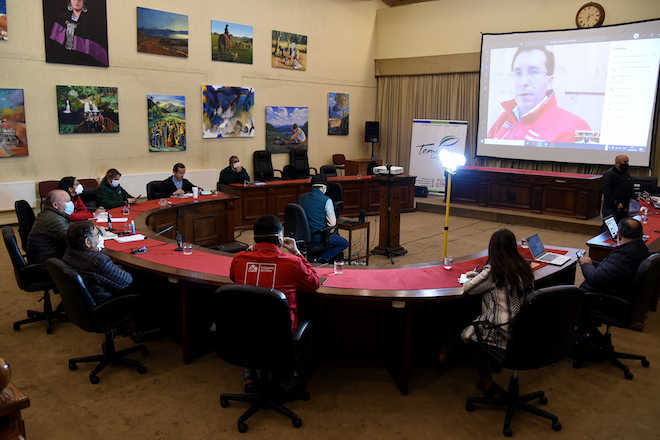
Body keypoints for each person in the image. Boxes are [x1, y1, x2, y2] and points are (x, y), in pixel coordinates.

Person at [461, 229, 535, 394]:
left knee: (467, 334)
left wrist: (479, 274)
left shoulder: (494, 271)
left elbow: (469, 288)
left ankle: (486, 380)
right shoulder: (525, 266)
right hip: (524, 326)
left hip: (503, 329)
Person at [230, 215, 320, 332]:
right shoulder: (293, 263)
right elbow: (314, 283)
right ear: (279, 239)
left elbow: (233, 277)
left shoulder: (238, 259)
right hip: (280, 333)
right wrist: (297, 253)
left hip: (244, 328)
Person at [487, 46, 591, 143]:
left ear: (550, 81)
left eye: (534, 72)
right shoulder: (505, 117)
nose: (524, 82)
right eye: (518, 73)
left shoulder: (575, 127)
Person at [63, 221, 133, 305]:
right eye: (97, 235)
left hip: (83, 303)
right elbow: (127, 281)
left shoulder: (69, 252)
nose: (100, 237)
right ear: (88, 242)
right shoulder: (98, 260)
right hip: (108, 303)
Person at [579, 218, 649, 296]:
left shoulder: (624, 255)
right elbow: (611, 269)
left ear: (619, 234)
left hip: (602, 298)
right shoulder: (642, 248)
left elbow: (595, 279)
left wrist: (586, 264)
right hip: (621, 289)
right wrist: (592, 262)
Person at [298, 174, 348, 263]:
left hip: (303, 236)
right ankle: (322, 258)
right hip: (318, 237)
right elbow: (332, 224)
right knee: (344, 243)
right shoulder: (326, 200)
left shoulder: (301, 198)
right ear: (323, 187)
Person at [44, 0, 109, 67]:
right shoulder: (61, 19)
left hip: (86, 62)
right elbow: (54, 46)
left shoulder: (92, 22)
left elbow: (96, 49)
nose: (77, 1)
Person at [26, 190, 73, 264]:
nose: (71, 204)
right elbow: (74, 241)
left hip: (47, 257)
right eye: (67, 201)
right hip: (47, 264)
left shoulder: (49, 214)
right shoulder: (54, 220)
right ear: (55, 205)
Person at [601, 154, 634, 224]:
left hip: (624, 207)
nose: (627, 164)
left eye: (628, 162)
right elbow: (606, 192)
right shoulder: (609, 174)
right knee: (609, 230)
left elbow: (629, 187)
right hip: (611, 208)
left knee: (622, 228)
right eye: (625, 162)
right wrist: (616, 203)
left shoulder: (626, 173)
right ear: (617, 163)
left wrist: (635, 197)